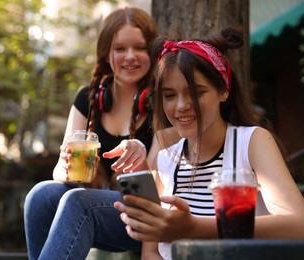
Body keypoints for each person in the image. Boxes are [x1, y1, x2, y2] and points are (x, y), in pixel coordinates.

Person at [113, 27, 304, 259]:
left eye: (196, 91)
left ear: (223, 91)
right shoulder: (165, 159)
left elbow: (298, 226)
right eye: (170, 95)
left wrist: (193, 228)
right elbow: (151, 253)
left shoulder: (251, 141)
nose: (182, 105)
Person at [24, 7, 180, 260]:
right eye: (120, 49)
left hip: (146, 215)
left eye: (139, 48)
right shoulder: (87, 99)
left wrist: (139, 162)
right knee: (40, 195)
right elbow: (59, 172)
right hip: (93, 212)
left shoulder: (164, 101)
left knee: (78, 201)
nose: (130, 56)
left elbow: (153, 191)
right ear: (107, 54)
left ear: (152, 52)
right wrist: (64, 169)